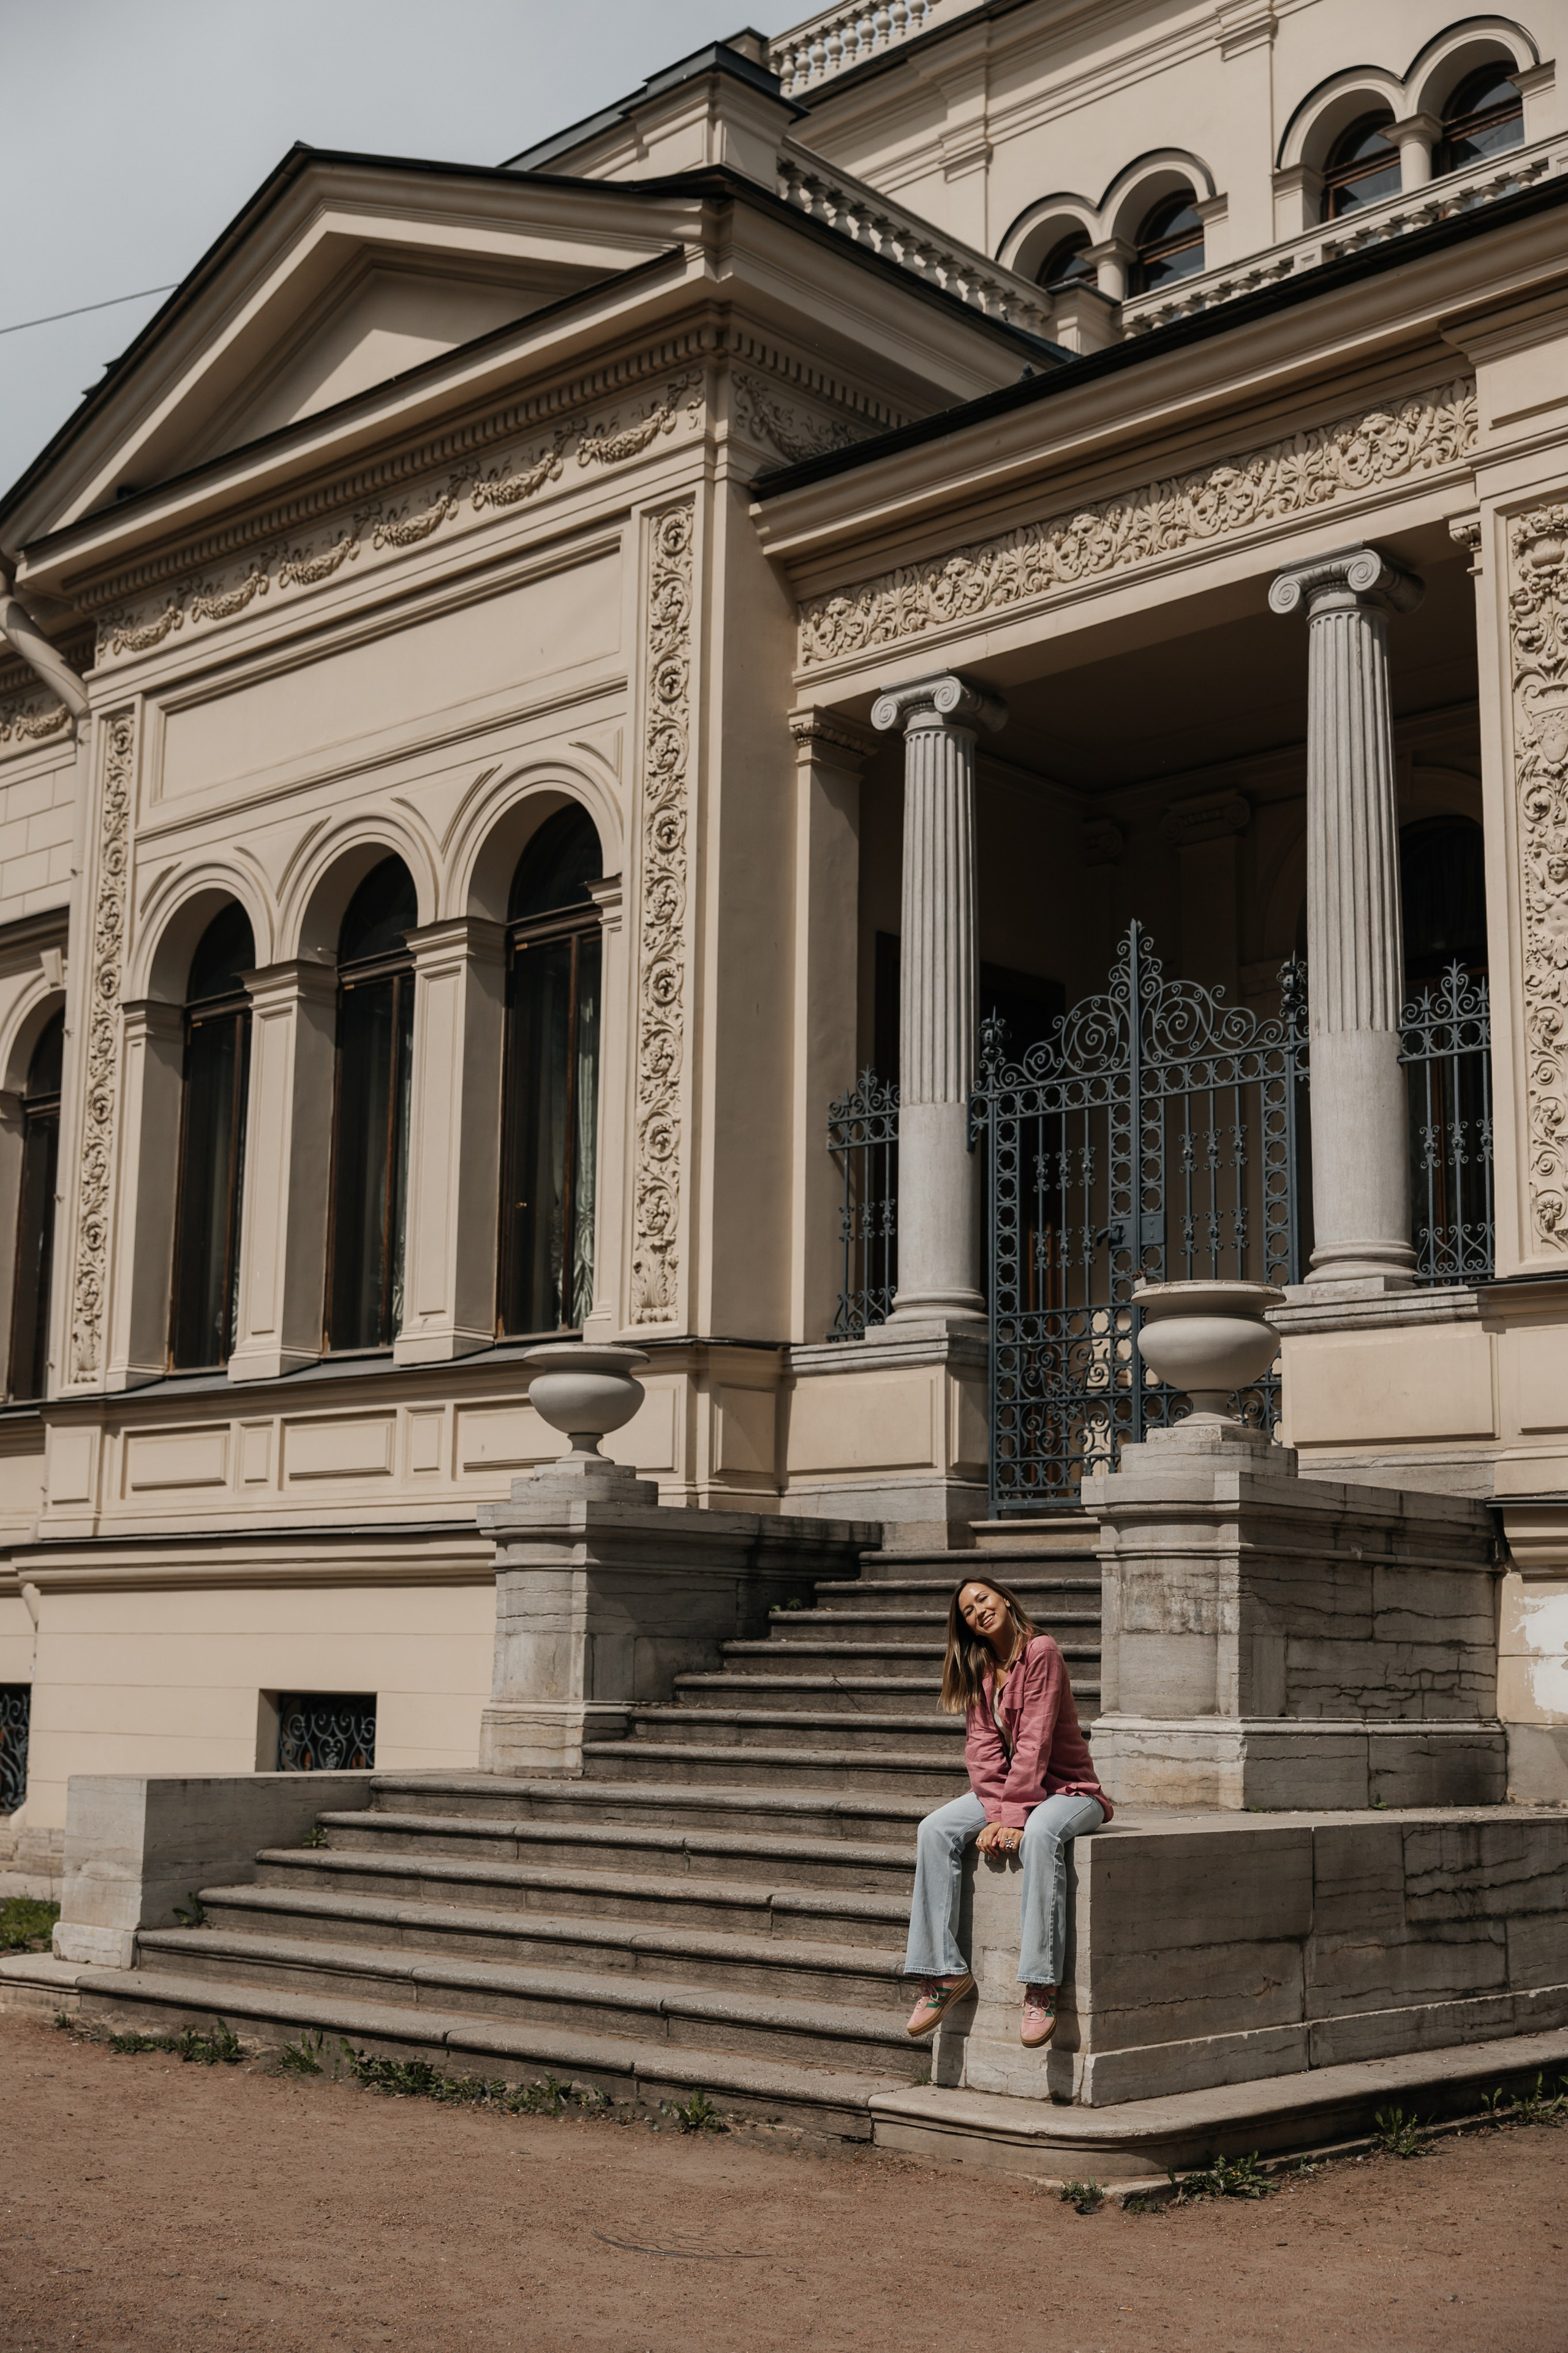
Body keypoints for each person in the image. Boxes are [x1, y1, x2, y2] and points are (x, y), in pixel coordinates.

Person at [903, 1575, 1111, 2049]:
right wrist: (997, 1810)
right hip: (1010, 1789)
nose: (979, 1611)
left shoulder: (1042, 1651)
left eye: (983, 1599)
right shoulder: (979, 1666)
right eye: (969, 1611)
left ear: (1003, 1598)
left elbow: (1035, 1741)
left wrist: (1010, 1819)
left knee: (1040, 1835)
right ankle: (942, 1973)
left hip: (1069, 1790)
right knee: (933, 1829)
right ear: (969, 1628)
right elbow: (982, 1751)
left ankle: (1041, 1985)